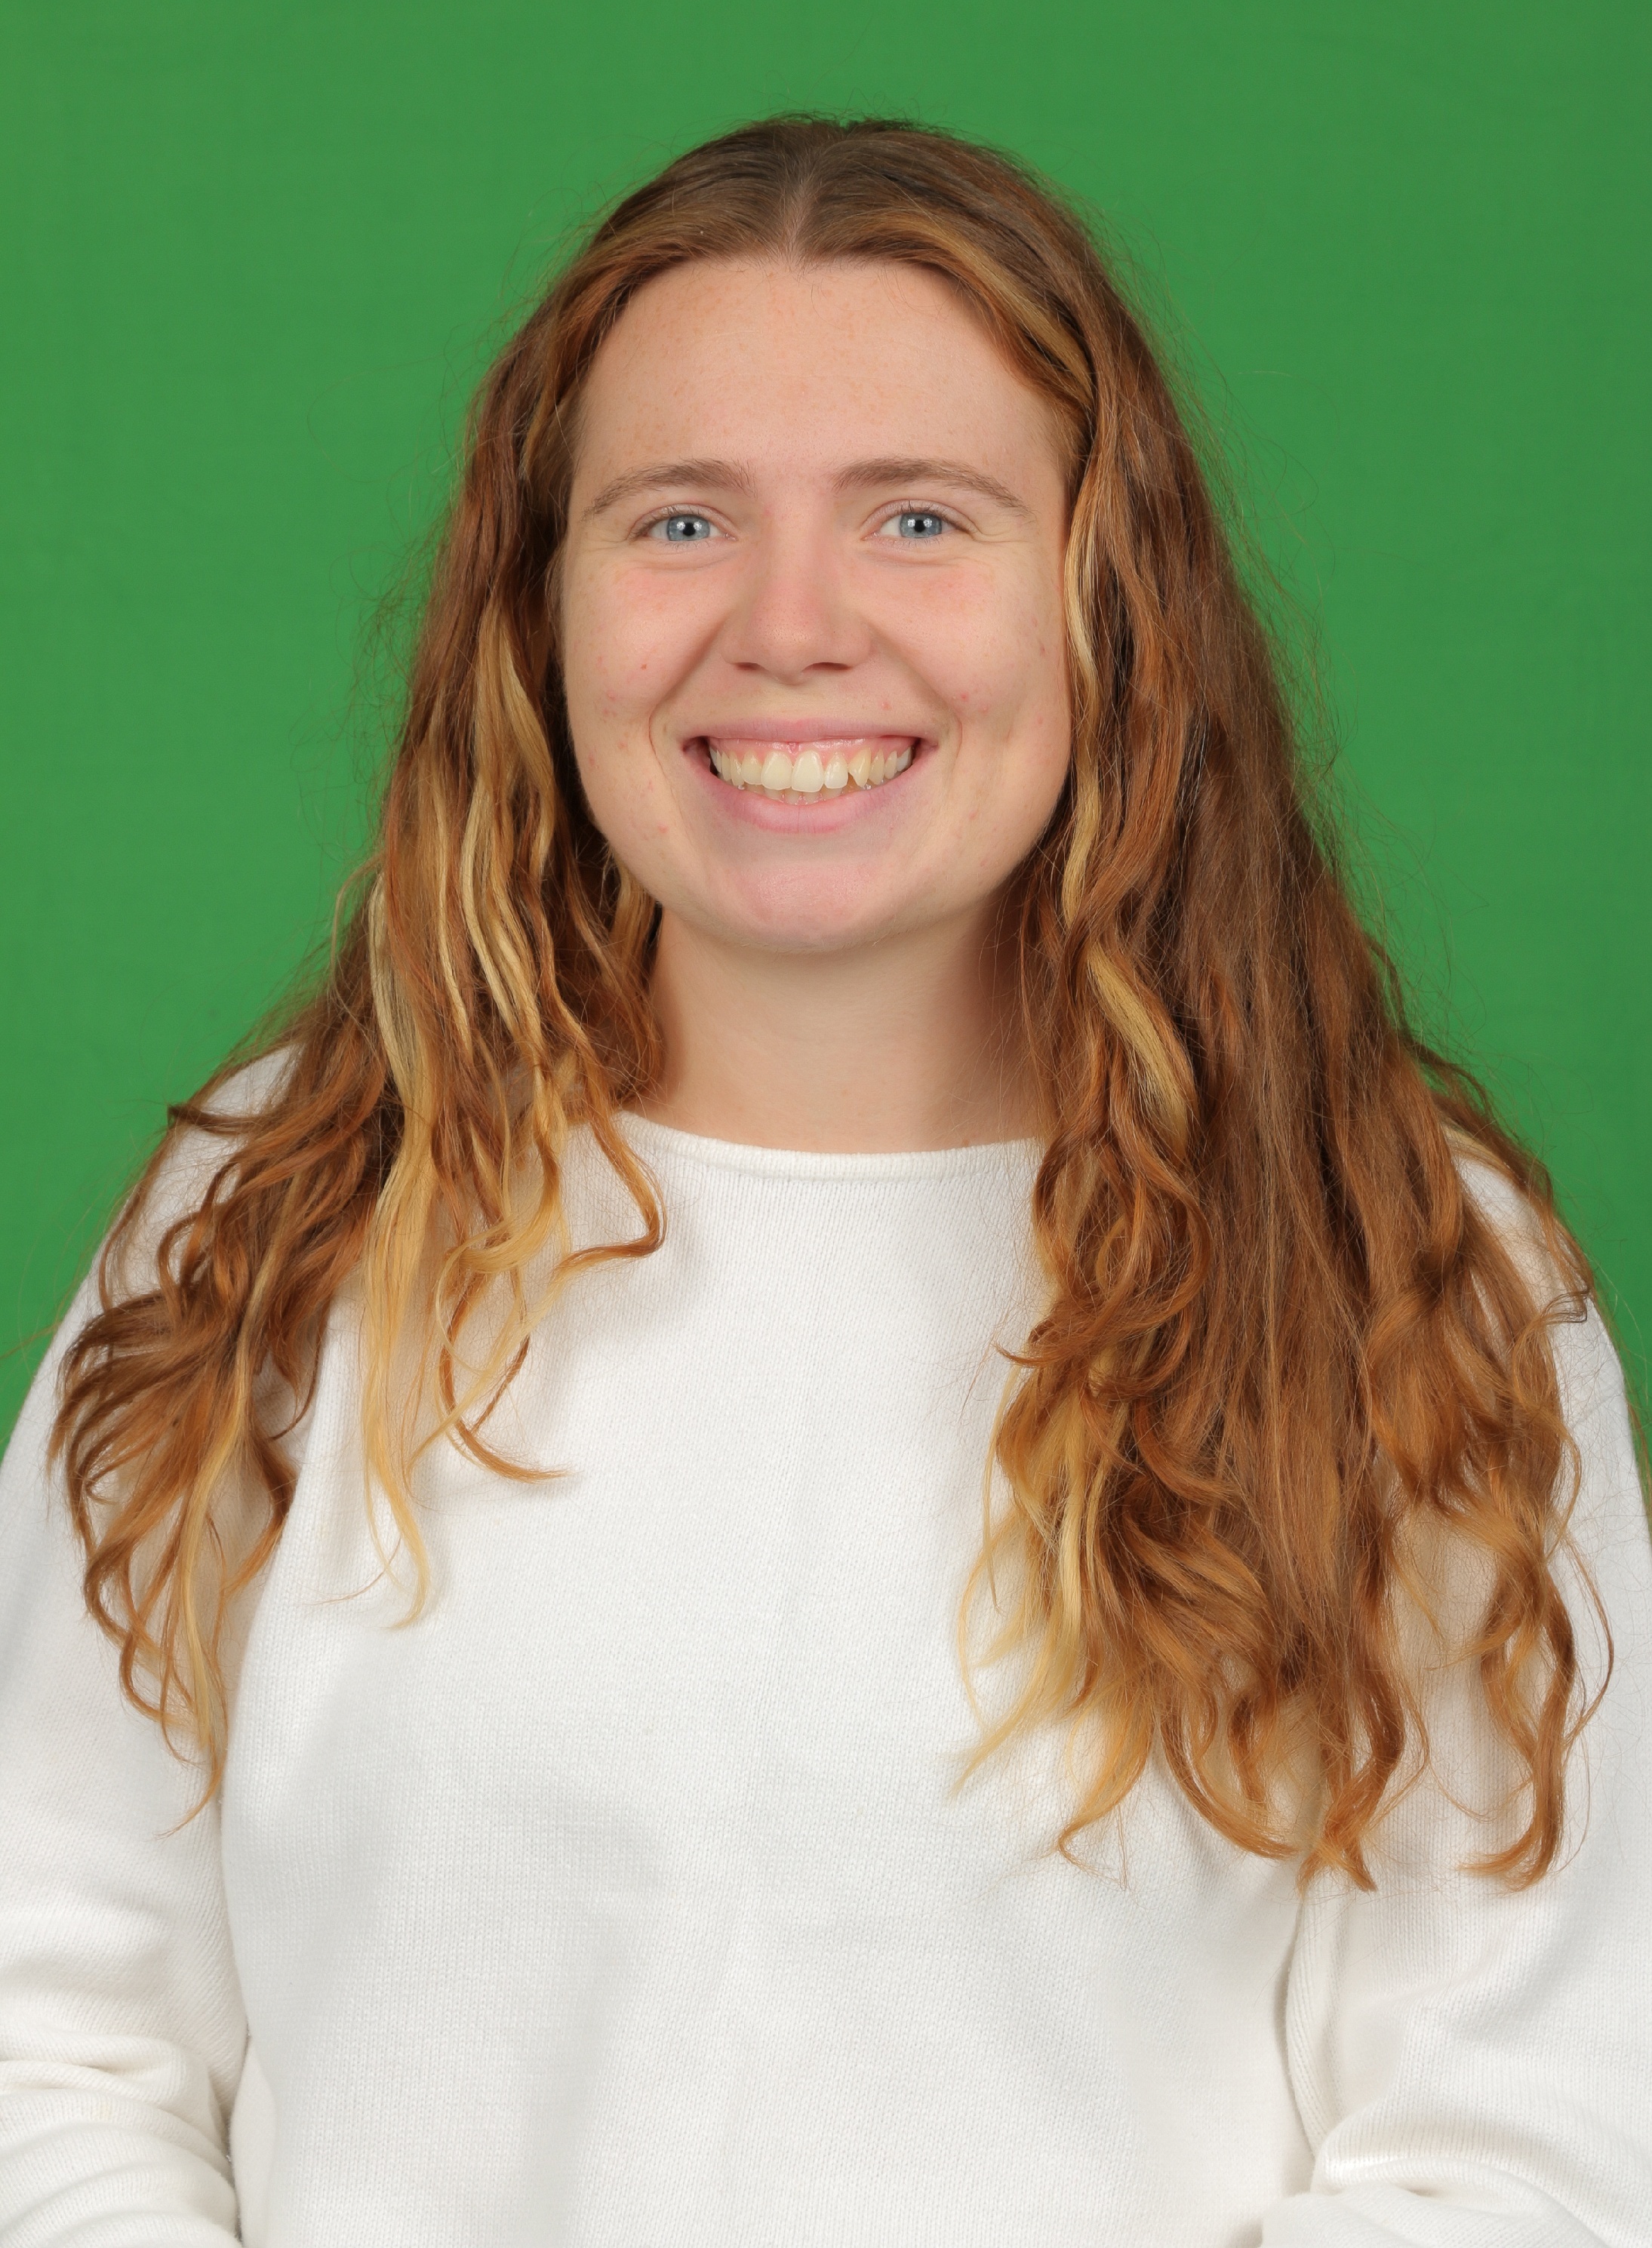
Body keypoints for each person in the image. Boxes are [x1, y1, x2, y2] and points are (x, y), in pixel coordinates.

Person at [0, 116, 1647, 2248]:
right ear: (540, 607)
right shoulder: (286, 1209)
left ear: (1111, 605)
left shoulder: (1397, 1263)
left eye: (920, 519)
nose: (791, 627)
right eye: (681, 519)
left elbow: (1522, 2145)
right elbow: (50, 2028)